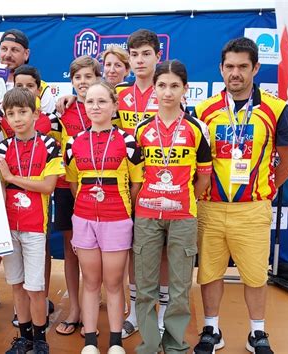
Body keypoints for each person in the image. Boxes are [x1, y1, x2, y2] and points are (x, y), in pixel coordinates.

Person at [192, 37, 288, 354]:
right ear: (221, 69)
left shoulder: (276, 109)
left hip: (252, 209)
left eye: (242, 66)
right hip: (210, 207)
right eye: (229, 66)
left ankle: (257, 333)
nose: (235, 73)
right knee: (209, 272)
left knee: (254, 275)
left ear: (256, 68)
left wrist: (266, 187)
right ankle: (211, 328)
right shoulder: (203, 110)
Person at [133, 60, 212, 354]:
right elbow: (137, 177)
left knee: (180, 287)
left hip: (183, 215)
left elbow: (203, 177)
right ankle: (149, 344)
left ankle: (176, 344)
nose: (168, 92)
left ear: (185, 89)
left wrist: (181, 197)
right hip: (147, 214)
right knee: (145, 286)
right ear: (154, 89)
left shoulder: (196, 128)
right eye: (162, 85)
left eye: (174, 86)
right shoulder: (141, 130)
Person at [65, 81, 144, 354]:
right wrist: (87, 205)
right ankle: (89, 341)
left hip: (117, 219)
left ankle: (114, 342)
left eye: (102, 101)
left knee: (112, 283)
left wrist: (116, 207)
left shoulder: (129, 141)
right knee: (90, 282)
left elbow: (136, 184)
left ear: (114, 106)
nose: (95, 107)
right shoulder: (74, 143)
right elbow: (74, 183)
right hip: (84, 217)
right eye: (90, 102)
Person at [0, 87, 64, 354]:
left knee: (35, 289)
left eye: (22, 112)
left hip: (35, 226)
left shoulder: (49, 145)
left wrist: (11, 177)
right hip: (9, 227)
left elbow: (47, 186)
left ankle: (40, 341)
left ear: (35, 114)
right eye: (11, 114)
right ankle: (23, 338)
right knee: (17, 286)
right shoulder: (2, 146)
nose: (17, 118)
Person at [116, 29, 170, 341]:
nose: (139, 60)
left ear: (157, 57)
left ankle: (162, 312)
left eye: (146, 54)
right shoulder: (119, 96)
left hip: (161, 184)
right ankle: (135, 312)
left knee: (161, 251)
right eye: (134, 54)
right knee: (135, 251)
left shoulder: (166, 91)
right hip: (128, 187)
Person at [53, 56, 101, 337]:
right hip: (66, 186)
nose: (83, 82)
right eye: (77, 78)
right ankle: (75, 309)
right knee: (72, 251)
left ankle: (92, 303)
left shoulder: (107, 107)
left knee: (98, 252)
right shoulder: (62, 112)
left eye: (88, 77)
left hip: (101, 187)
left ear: (98, 78)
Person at [0, 29, 56, 114]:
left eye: (14, 50)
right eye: (4, 49)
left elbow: (50, 124)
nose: (7, 55)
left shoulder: (41, 89)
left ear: (26, 54)